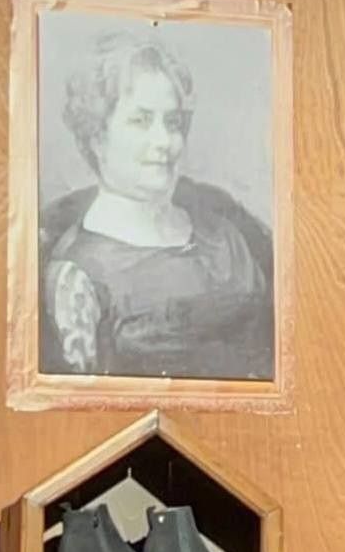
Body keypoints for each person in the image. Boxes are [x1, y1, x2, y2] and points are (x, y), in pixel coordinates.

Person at [39, 30, 274, 380]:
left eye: (172, 123)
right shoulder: (77, 274)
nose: (164, 141)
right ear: (97, 136)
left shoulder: (226, 233)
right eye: (141, 121)